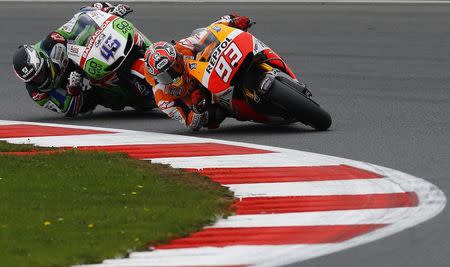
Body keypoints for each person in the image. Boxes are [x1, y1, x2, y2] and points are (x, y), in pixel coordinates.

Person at [12, 2, 150, 117]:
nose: (40, 80)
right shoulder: (37, 93)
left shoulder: (53, 41)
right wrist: (74, 89)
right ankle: (131, 97)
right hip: (75, 87)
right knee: (99, 100)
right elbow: (68, 110)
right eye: (34, 80)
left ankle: (149, 50)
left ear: (44, 61)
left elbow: (80, 18)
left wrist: (107, 10)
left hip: (85, 58)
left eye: (40, 74)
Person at [143, 14, 253, 130]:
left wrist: (233, 21)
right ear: (156, 77)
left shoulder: (183, 47)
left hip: (213, 67)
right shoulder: (162, 98)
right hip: (205, 97)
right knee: (211, 119)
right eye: (165, 76)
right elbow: (190, 124)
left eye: (174, 67)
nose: (173, 75)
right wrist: (197, 108)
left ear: (178, 57)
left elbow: (210, 31)